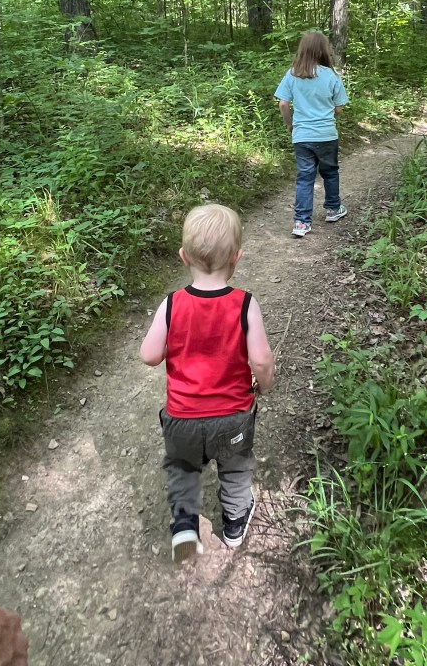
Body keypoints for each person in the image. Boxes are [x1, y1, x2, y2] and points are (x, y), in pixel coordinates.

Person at [140, 203, 275, 563]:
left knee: (183, 470)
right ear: (237, 257)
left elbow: (149, 355)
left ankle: (184, 525)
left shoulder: (171, 305)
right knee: (235, 468)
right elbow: (261, 359)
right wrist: (264, 384)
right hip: (232, 417)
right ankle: (233, 526)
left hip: (182, 419)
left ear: (183, 257)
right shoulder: (245, 305)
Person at [275, 30, 349, 237]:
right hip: (326, 135)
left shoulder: (292, 74)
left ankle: (301, 222)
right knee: (330, 172)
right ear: (323, 50)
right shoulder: (331, 76)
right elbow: (338, 109)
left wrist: (290, 125)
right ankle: (333, 209)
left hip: (302, 136)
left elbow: (283, 104)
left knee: (305, 177)